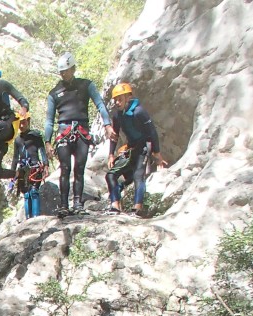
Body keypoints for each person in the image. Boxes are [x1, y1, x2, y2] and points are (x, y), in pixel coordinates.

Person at [43, 52, 116, 216]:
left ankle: (77, 203)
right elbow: (49, 120)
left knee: (79, 168)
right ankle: (63, 205)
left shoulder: (86, 85)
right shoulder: (54, 93)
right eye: (61, 71)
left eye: (66, 70)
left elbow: (100, 104)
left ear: (73, 69)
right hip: (63, 131)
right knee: (65, 168)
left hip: (82, 131)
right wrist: (47, 142)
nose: (64, 74)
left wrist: (107, 124)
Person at [105, 82, 168, 217]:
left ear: (128, 97)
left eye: (120, 99)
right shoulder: (117, 115)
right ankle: (115, 205)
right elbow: (114, 135)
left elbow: (152, 133)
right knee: (111, 175)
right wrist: (111, 154)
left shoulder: (139, 112)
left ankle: (137, 208)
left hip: (144, 146)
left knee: (138, 176)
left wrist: (156, 153)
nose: (117, 102)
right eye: (115, 99)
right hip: (131, 148)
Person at [9, 115, 48, 217]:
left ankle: (35, 217)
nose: (21, 125)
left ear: (28, 121)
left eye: (23, 122)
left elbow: (42, 151)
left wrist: (46, 164)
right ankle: (28, 218)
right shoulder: (17, 140)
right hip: (23, 169)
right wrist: (12, 173)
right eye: (19, 123)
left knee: (34, 191)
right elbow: (15, 157)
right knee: (26, 194)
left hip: (36, 167)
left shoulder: (36, 136)